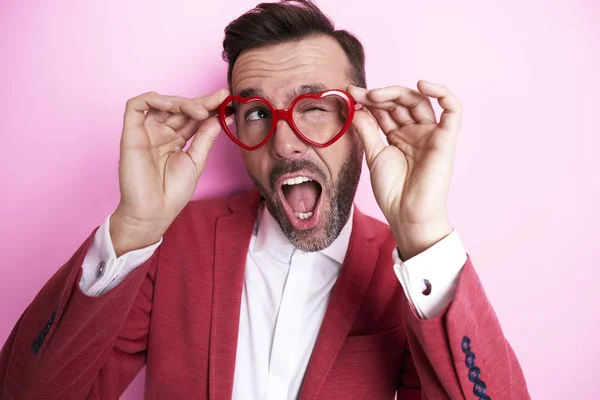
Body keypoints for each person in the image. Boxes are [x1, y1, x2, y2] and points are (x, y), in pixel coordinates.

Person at [0, 1, 530, 399]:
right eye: (257, 113)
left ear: (361, 123)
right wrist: (134, 225)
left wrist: (424, 234)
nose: (284, 141)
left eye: (314, 107)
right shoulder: (174, 243)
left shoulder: (408, 276)